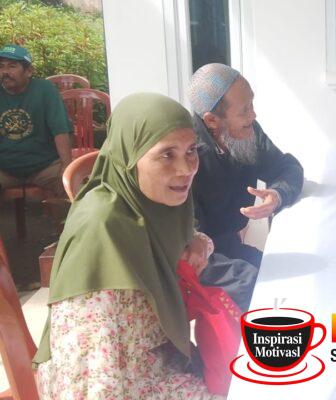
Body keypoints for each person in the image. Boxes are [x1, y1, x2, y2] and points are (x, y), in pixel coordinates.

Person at [33, 93, 222, 399]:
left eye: (191, 151)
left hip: (162, 359)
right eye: (167, 154)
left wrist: (200, 244)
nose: (186, 169)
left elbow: (184, 237)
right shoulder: (102, 230)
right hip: (119, 380)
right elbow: (91, 379)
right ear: (129, 156)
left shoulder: (152, 203)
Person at [188, 63, 304, 268]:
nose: (253, 115)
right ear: (212, 120)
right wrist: (253, 276)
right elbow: (194, 252)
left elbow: (287, 167)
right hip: (207, 261)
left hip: (232, 246)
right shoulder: (187, 159)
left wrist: (276, 195)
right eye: (244, 110)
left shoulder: (248, 130)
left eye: (251, 104)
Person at [0, 44, 72, 196]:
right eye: (1, 66)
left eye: (12, 66)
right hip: (4, 169)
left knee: (74, 184)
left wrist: (67, 166)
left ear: (29, 71)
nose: (5, 72)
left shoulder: (45, 90)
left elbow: (60, 130)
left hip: (44, 166)